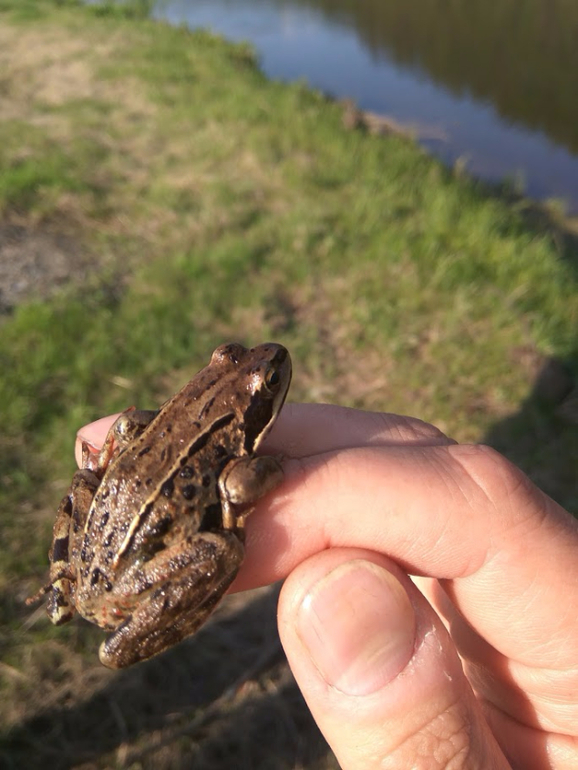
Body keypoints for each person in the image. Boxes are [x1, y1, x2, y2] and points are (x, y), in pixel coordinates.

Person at [77, 403, 578, 769]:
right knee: (225, 550)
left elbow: (128, 430)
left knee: (90, 479)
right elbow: (237, 486)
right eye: (265, 388)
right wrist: (271, 468)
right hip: (137, 568)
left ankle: (64, 586)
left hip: (97, 550)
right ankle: (106, 624)